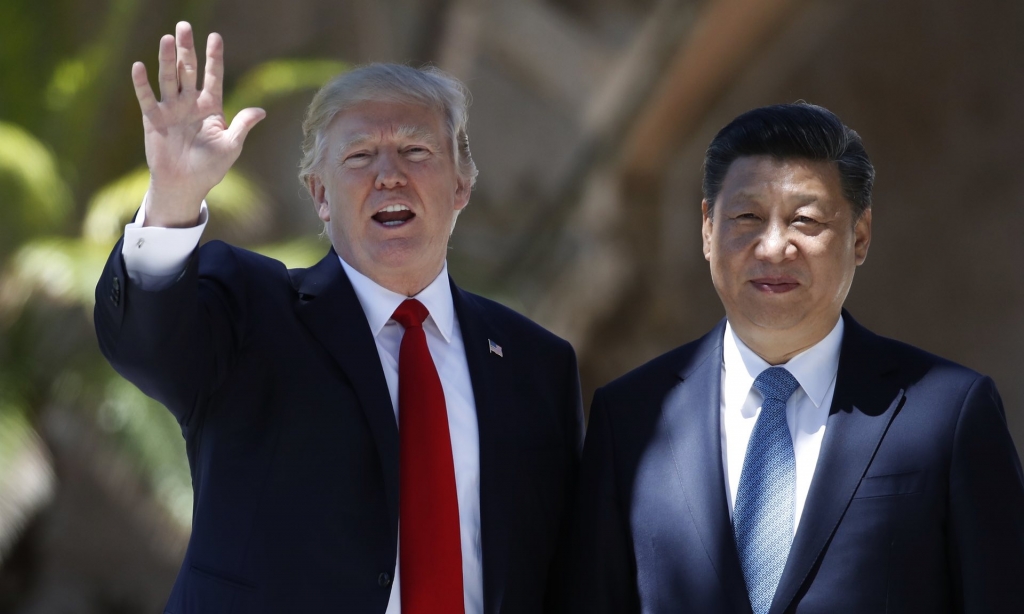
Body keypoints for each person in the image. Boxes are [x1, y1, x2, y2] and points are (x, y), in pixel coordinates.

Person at [94, 21, 583, 614]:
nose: (389, 174)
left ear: (462, 184)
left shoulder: (537, 364)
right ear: (320, 195)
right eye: (358, 156)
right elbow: (147, 341)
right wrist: (172, 195)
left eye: (415, 150)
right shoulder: (253, 311)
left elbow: (561, 567)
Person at [565, 103, 1024, 613]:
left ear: (860, 236)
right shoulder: (630, 416)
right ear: (706, 228)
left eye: (806, 220)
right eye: (747, 217)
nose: (774, 247)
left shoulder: (948, 412)